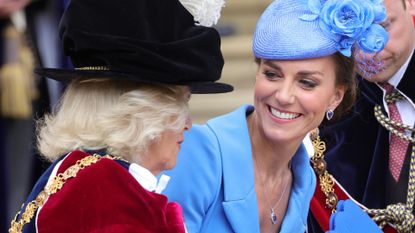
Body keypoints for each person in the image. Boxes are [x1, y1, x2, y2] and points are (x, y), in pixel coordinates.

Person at [162, 0, 388, 232]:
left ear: (335, 97)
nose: (283, 96)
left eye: (306, 83)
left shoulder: (304, 180)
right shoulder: (197, 152)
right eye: (272, 74)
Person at [8, 0, 233, 232]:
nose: (188, 124)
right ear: (142, 112)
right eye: (182, 103)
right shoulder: (109, 193)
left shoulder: (85, 174)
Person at [308, 0, 415, 232]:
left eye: (384, 26)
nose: (368, 52)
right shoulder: (333, 105)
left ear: (411, 5)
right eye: (352, 32)